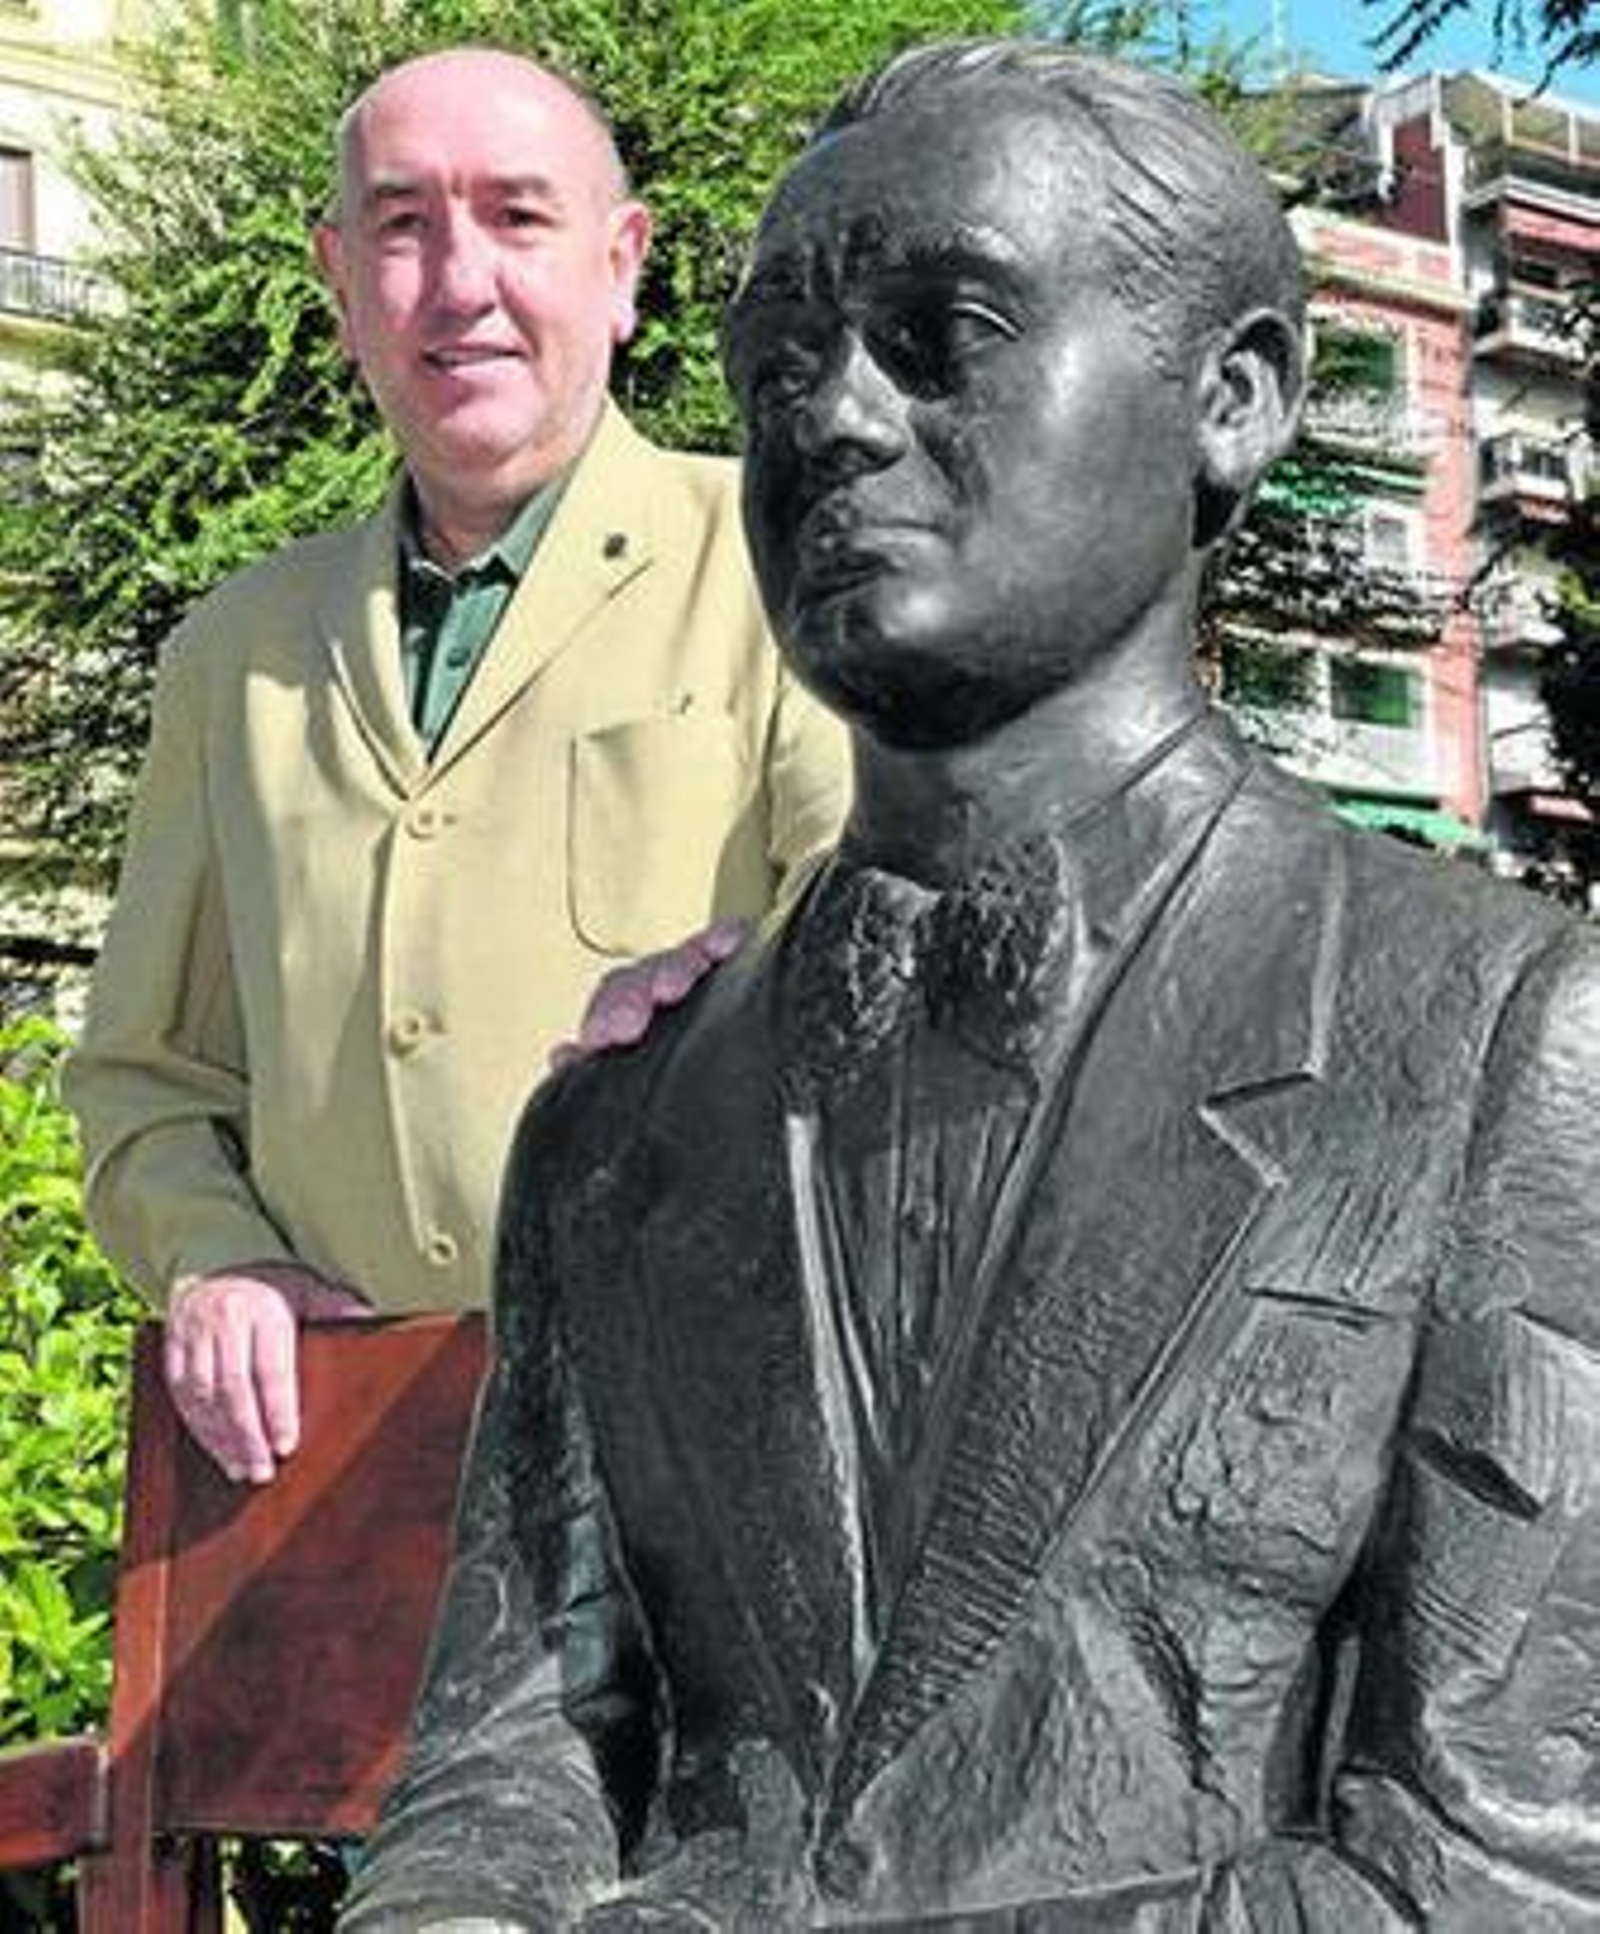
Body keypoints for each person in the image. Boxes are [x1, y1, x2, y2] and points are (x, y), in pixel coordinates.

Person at [342, 38, 1600, 1932]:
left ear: (1235, 402)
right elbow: (515, 1751)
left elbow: (1502, 1870)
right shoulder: (615, 1132)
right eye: (777, 370)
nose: (829, 419)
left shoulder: (1505, 1038)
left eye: (940, 337)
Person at [63, 47, 847, 1487]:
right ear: (339, 284)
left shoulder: (788, 570)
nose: (459, 278)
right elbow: (140, 1077)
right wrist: (214, 1257)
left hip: (715, 1470)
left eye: (518, 216)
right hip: (339, 1493)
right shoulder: (229, 659)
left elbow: (892, 989)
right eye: (404, 223)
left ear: (621, 266)